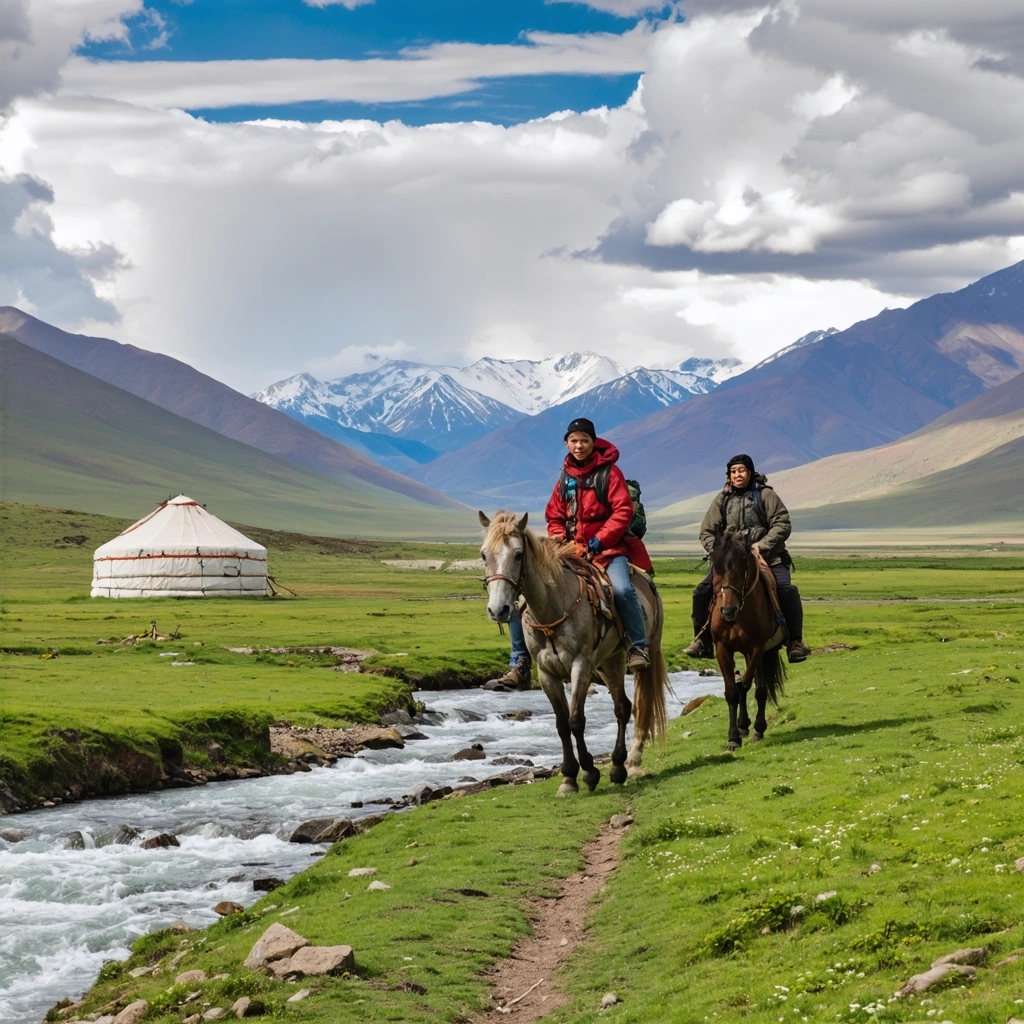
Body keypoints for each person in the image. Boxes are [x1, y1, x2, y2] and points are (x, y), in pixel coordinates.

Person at [490, 417, 653, 687]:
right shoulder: (565, 476)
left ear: (593, 442)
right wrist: (559, 538)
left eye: (584, 440)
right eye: (574, 441)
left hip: (608, 550)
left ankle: (638, 645)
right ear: (566, 443)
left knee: (623, 590)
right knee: (527, 593)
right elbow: (554, 514)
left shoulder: (610, 473)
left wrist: (598, 541)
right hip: (569, 549)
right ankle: (520, 661)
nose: (579, 445)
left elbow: (623, 511)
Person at [683, 453, 810, 663]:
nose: (737, 475)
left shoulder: (765, 495)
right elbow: (706, 531)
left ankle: (795, 642)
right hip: (732, 561)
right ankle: (703, 640)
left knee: (787, 589)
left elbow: (782, 523)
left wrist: (761, 546)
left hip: (768, 557)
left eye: (741, 470)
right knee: (702, 591)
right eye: (733, 471)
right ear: (728, 475)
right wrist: (719, 551)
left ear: (750, 472)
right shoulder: (722, 499)